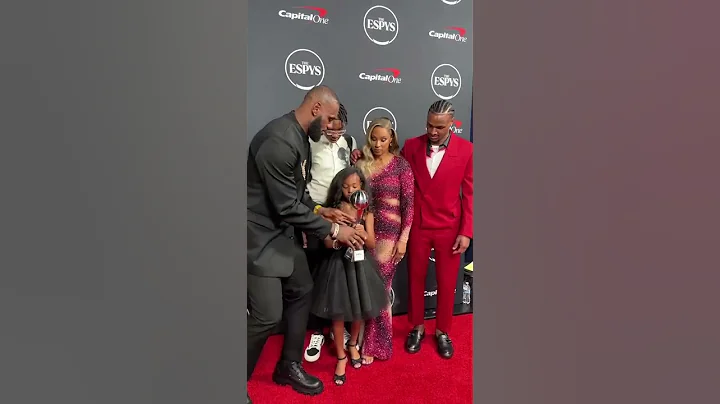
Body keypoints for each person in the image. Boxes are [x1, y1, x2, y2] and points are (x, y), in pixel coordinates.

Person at [246, 85, 364, 403]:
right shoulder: (278, 141)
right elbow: (285, 206)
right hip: (258, 239)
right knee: (267, 317)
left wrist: (320, 209)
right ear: (315, 109)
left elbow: (297, 197)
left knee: (303, 290)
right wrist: (333, 230)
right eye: (328, 121)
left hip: (282, 235)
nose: (329, 129)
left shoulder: (300, 137)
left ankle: (288, 365)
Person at [401, 100, 473, 359]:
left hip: (450, 228)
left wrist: (466, 232)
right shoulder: (410, 146)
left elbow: (471, 193)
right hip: (419, 225)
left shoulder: (467, 150)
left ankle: (443, 330)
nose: (433, 131)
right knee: (415, 279)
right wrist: (362, 156)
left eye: (439, 127)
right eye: (429, 125)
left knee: (446, 282)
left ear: (452, 124)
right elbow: (393, 173)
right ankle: (417, 327)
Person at [309, 167, 388, 386]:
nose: (349, 190)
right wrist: (340, 239)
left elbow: (371, 242)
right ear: (338, 188)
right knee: (338, 313)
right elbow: (327, 241)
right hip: (337, 266)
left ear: (362, 187)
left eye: (354, 186)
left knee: (358, 310)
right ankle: (341, 356)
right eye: (345, 187)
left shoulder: (367, 211)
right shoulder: (335, 210)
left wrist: (360, 230)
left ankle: (353, 345)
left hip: (360, 266)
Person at [354, 117, 415, 364]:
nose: (378, 144)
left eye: (383, 139)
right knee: (366, 286)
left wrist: (404, 239)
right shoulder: (362, 164)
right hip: (366, 231)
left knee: (380, 287)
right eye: (374, 139)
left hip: (390, 236)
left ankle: (376, 344)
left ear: (392, 139)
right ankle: (360, 340)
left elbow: (410, 206)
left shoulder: (401, 166)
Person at [303, 103, 358, 363]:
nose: (335, 135)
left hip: (344, 215)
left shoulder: (349, 141)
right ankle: (317, 331)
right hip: (317, 216)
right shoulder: (310, 142)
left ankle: (340, 331)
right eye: (331, 130)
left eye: (340, 130)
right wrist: (316, 213)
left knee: (340, 278)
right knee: (316, 276)